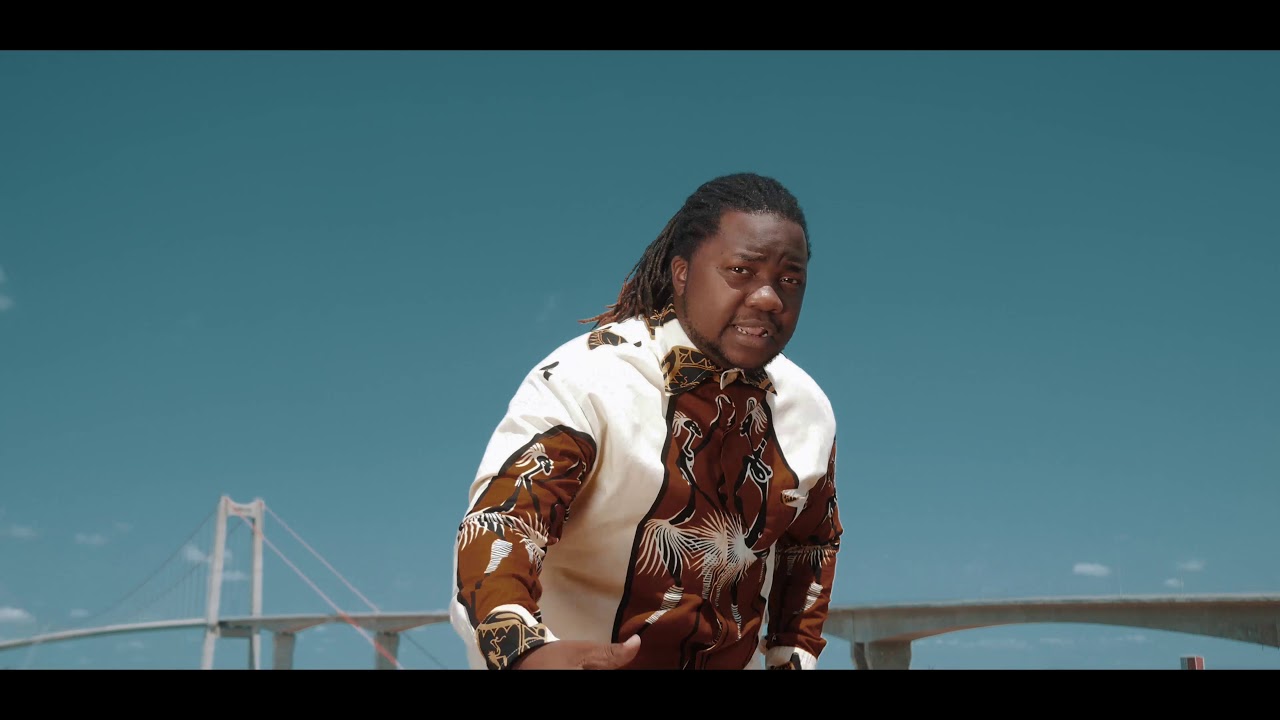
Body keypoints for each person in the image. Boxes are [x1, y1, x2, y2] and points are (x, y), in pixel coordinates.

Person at [449, 172, 843, 670]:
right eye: (741, 270)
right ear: (681, 272)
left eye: (790, 280)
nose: (769, 298)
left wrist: (793, 653)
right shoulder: (589, 379)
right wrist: (523, 651)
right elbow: (503, 520)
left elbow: (812, 541)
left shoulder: (807, 408)